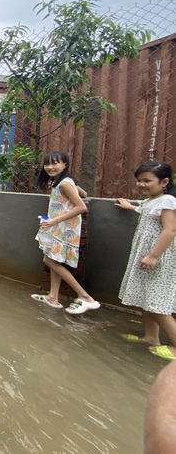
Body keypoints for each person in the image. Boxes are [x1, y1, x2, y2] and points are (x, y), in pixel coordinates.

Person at [115, 161, 176, 361]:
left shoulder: (167, 201)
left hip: (158, 259)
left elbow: (170, 230)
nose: (141, 184)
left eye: (147, 181)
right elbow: (144, 211)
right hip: (146, 256)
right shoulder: (152, 200)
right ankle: (151, 337)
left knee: (156, 303)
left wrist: (154, 255)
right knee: (146, 297)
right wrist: (129, 206)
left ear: (164, 181)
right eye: (139, 180)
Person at [30, 151, 100, 314]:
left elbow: (81, 206)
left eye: (55, 163)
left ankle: (85, 297)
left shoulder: (64, 184)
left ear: (65, 165)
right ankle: (53, 297)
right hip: (60, 227)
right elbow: (83, 194)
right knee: (55, 260)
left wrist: (54, 220)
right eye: (47, 164)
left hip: (64, 228)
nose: (50, 167)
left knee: (49, 260)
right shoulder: (63, 182)